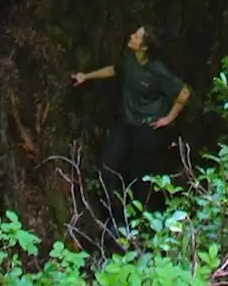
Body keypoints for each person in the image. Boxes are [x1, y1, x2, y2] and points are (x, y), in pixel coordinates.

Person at [71, 25, 190, 201]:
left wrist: (168, 119)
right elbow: (115, 70)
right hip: (126, 123)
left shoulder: (157, 71)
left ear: (145, 47)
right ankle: (115, 217)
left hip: (147, 129)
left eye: (137, 36)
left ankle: (137, 221)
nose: (131, 35)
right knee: (107, 168)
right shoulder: (129, 57)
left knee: (139, 178)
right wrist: (86, 76)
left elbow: (184, 93)